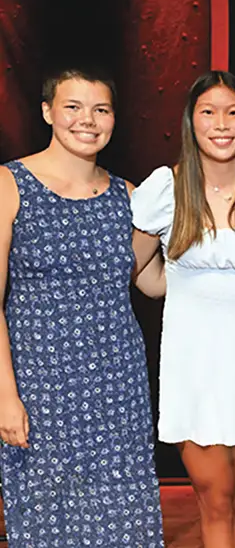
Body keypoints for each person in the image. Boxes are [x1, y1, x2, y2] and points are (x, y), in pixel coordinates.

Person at [0, 68, 165, 546]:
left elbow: (148, 281)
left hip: (118, 390)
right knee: (48, 525)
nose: (87, 120)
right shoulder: (11, 185)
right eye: (73, 107)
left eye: (101, 109)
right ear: (48, 112)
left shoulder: (128, 197)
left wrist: (222, 261)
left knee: (125, 521)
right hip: (40, 391)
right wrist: (5, 395)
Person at [130, 70, 235, 548]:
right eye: (208, 112)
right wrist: (173, 286)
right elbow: (133, 269)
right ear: (190, 122)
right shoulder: (165, 187)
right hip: (194, 367)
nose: (221, 124)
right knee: (215, 496)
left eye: (233, 112)